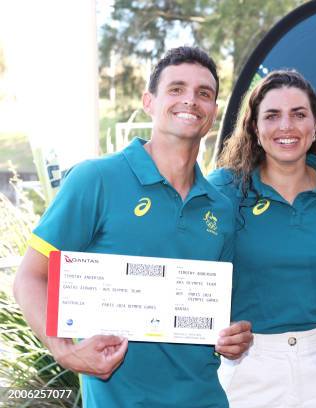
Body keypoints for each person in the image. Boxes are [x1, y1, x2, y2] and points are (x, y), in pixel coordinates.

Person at [13, 46, 253, 408]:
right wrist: (65, 352)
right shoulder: (96, 179)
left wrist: (234, 336)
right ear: (149, 102)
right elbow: (29, 277)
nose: (190, 100)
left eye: (204, 93)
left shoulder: (219, 207)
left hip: (204, 398)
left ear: (213, 113)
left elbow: (221, 312)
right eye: (176, 89)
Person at [209, 70, 316, 408]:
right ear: (255, 128)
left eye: (299, 114)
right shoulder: (223, 191)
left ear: (315, 126)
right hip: (246, 362)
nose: (286, 126)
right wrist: (213, 329)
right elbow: (191, 266)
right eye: (272, 115)